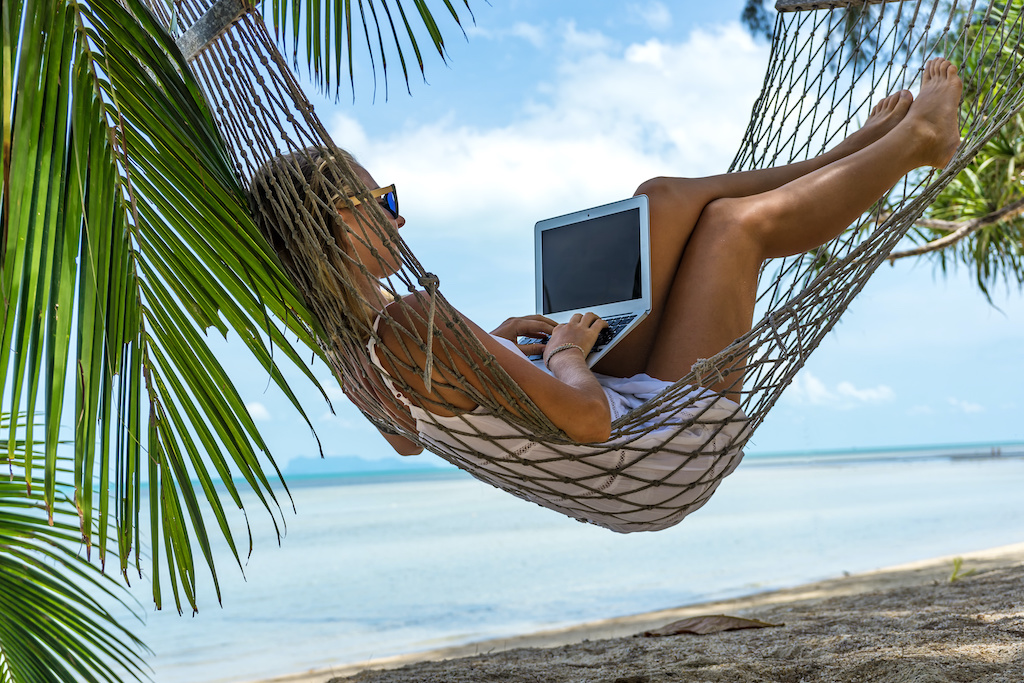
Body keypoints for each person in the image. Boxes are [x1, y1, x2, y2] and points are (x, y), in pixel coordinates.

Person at [259, 59, 963, 532]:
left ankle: (848, 151)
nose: (398, 216)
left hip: (616, 438)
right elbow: (590, 420)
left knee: (657, 198)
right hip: (652, 457)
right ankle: (917, 140)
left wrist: (496, 351)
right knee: (732, 227)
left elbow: (407, 437)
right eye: (383, 199)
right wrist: (565, 353)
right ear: (346, 223)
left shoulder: (349, 350)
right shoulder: (411, 319)